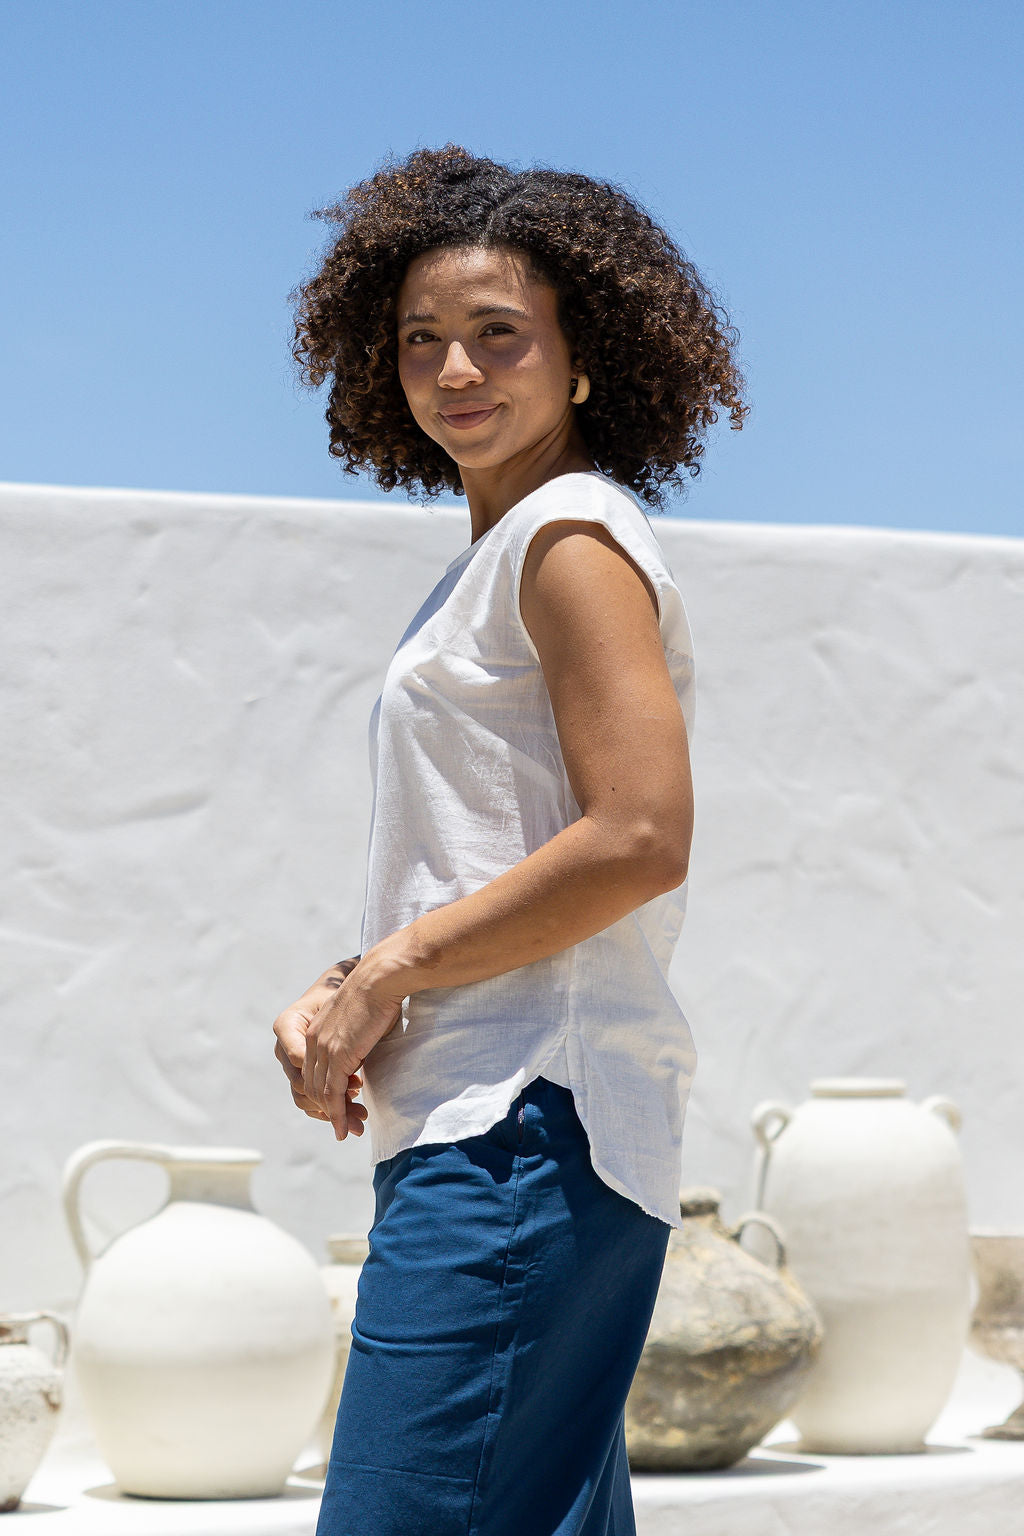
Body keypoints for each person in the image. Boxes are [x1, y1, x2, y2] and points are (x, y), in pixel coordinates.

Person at [273, 144, 747, 1536]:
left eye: (498, 333)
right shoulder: (493, 560)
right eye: (421, 338)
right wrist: (352, 979)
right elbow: (502, 847)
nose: (455, 369)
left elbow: (640, 836)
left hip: (523, 1134)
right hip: (493, 1127)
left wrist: (393, 971)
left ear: (585, 358)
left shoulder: (569, 539)